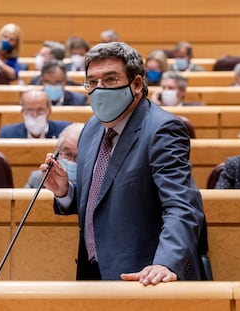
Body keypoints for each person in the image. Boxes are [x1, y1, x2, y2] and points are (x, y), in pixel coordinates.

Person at [40, 42, 204, 284]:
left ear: (136, 84)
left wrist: (165, 262)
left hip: (146, 278)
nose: (99, 89)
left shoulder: (162, 129)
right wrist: (65, 192)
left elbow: (182, 205)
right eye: (92, 82)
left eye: (110, 80)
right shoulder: (92, 128)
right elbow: (102, 198)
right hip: (95, 275)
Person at [24, 122, 84, 188]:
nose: (72, 161)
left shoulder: (92, 185)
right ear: (57, 151)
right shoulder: (38, 179)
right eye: (67, 154)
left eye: (78, 157)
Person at [0, 89, 71, 139]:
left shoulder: (65, 131)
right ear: (22, 112)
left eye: (40, 110)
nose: (34, 115)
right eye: (29, 110)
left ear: (49, 111)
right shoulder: (7, 133)